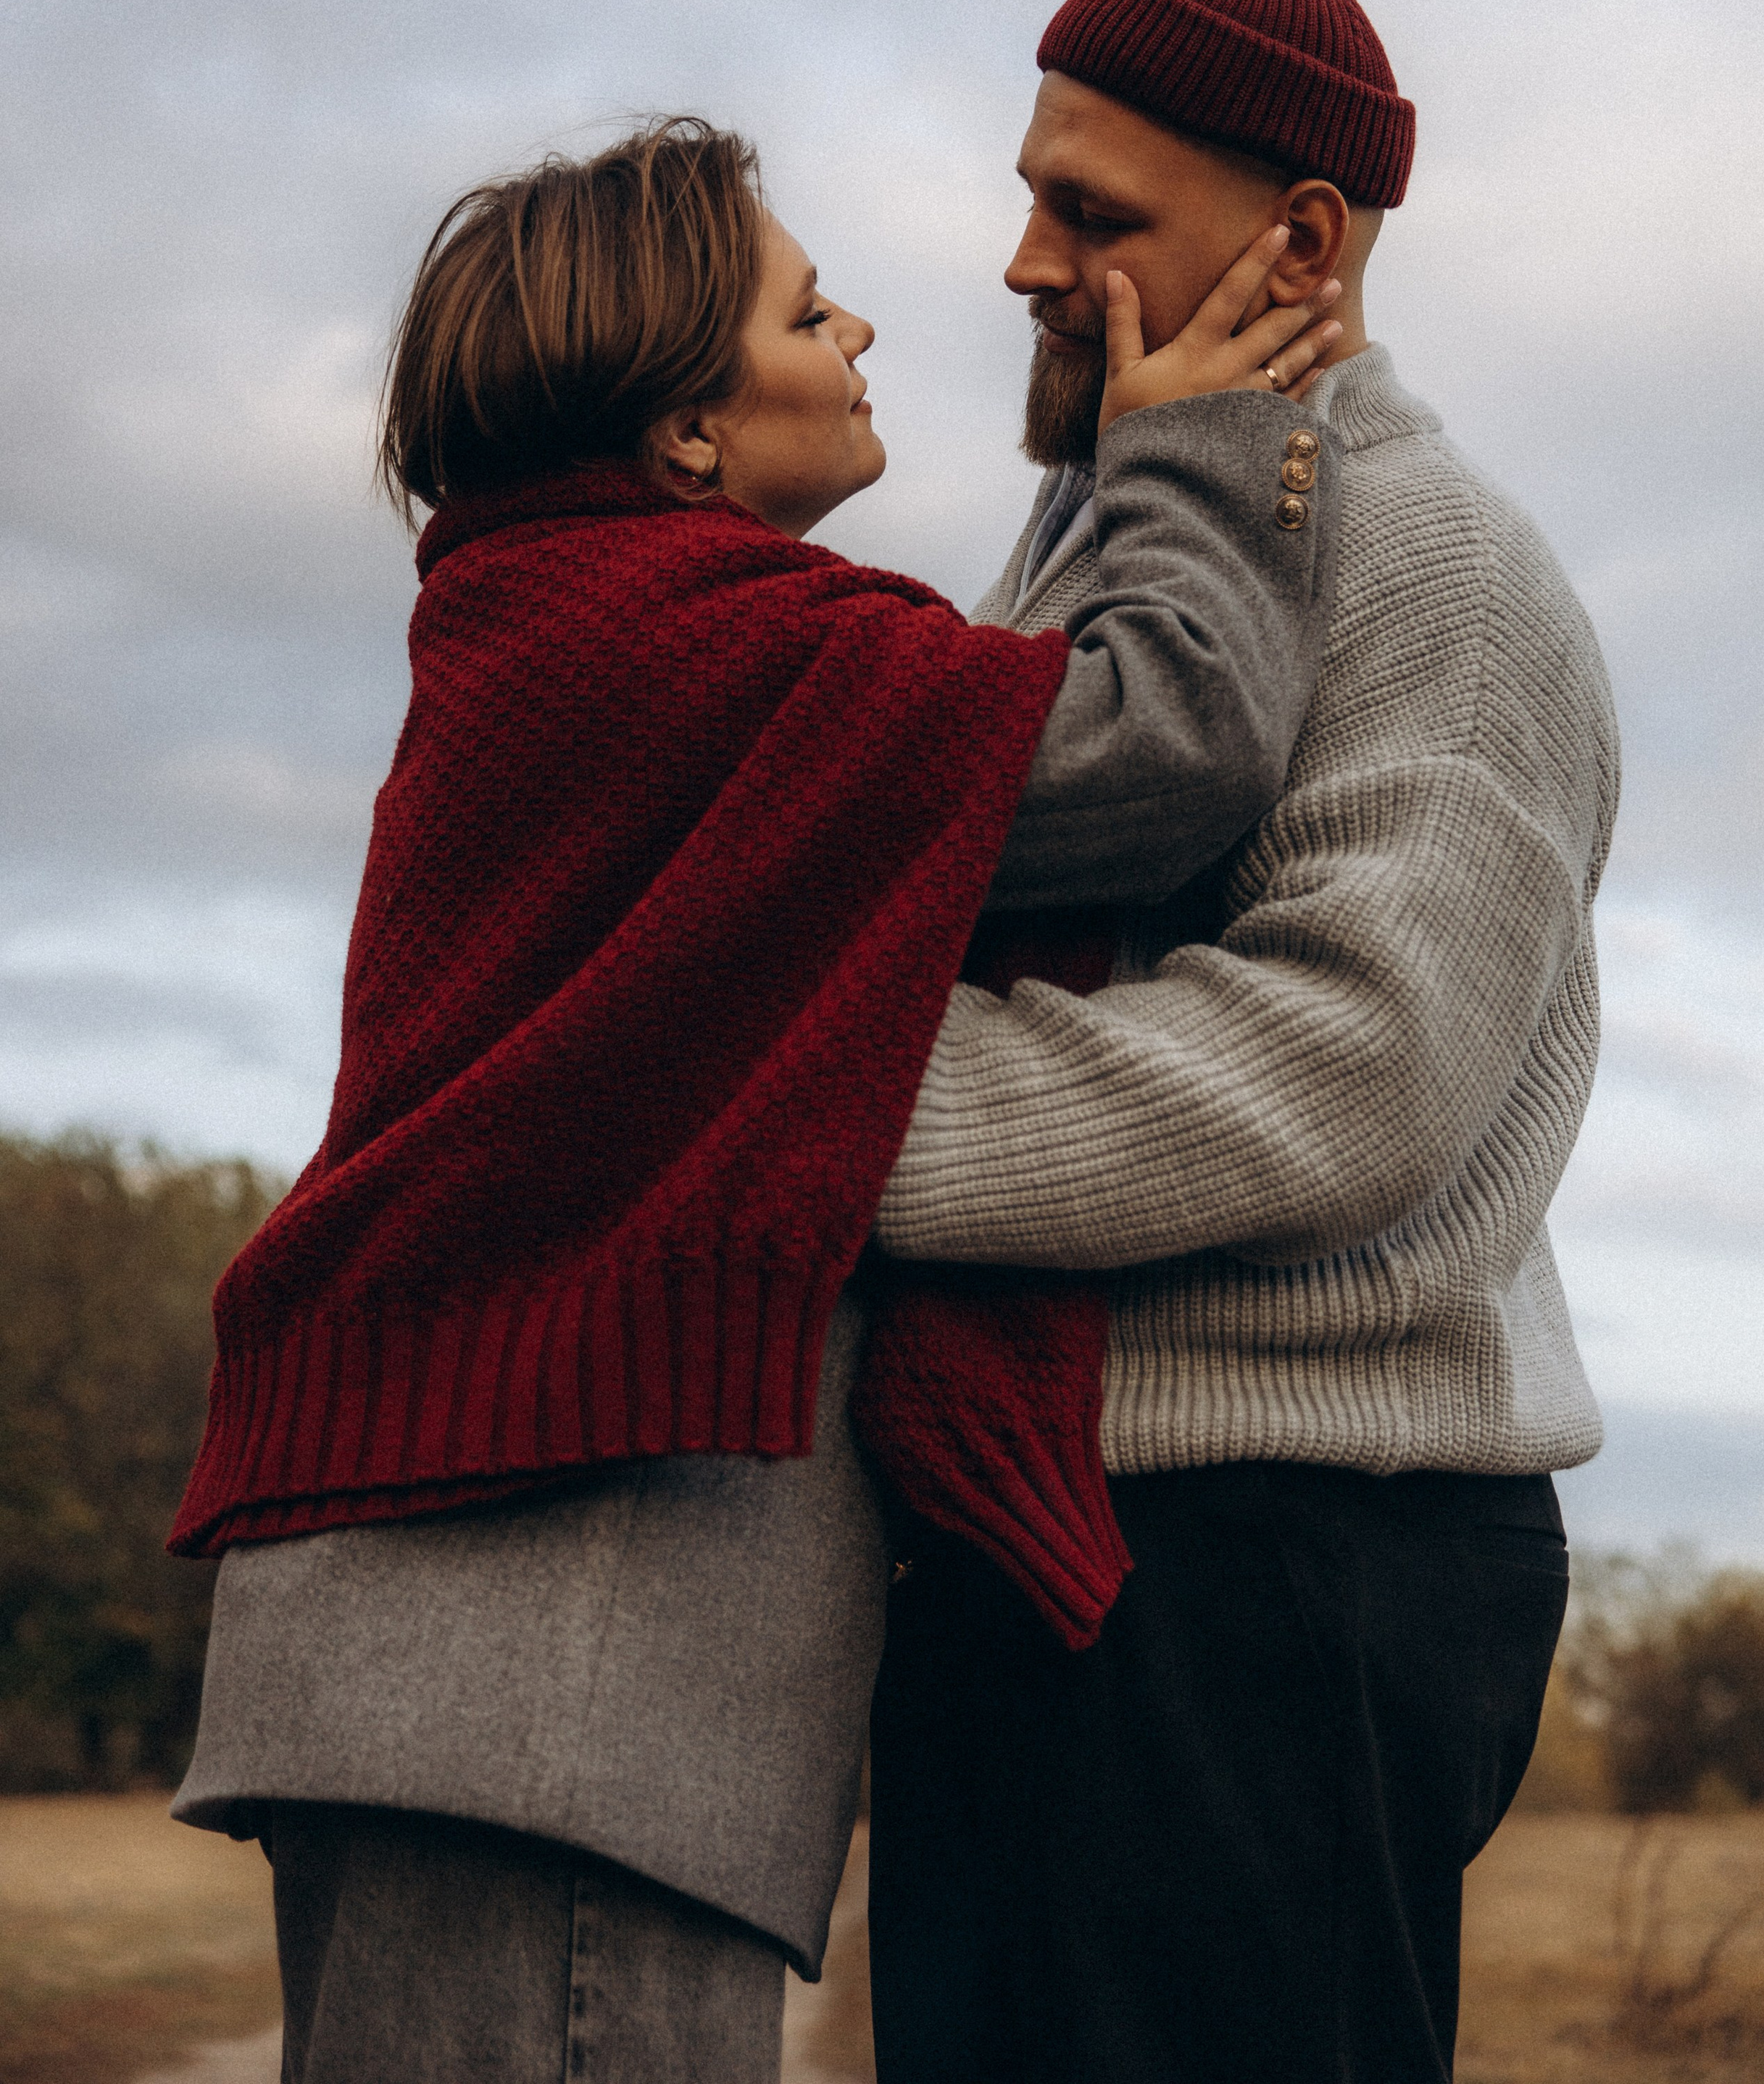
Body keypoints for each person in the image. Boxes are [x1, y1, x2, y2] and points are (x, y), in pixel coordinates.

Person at [167, 114, 1346, 2083]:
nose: (868, 324)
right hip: (548, 1684)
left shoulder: (566, 635)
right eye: (808, 311)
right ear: (690, 436)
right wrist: (1197, 447)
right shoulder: (689, 649)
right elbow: (1169, 741)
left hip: (461, 1662)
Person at [867, 0, 1621, 2084]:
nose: (1021, 260)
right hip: (1038, 1545)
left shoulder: (1437, 566)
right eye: (1032, 193)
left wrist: (827, 1120)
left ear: (1302, 238)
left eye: (1093, 216)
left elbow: (1353, 1067)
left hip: (1289, 1560)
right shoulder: (1097, 551)